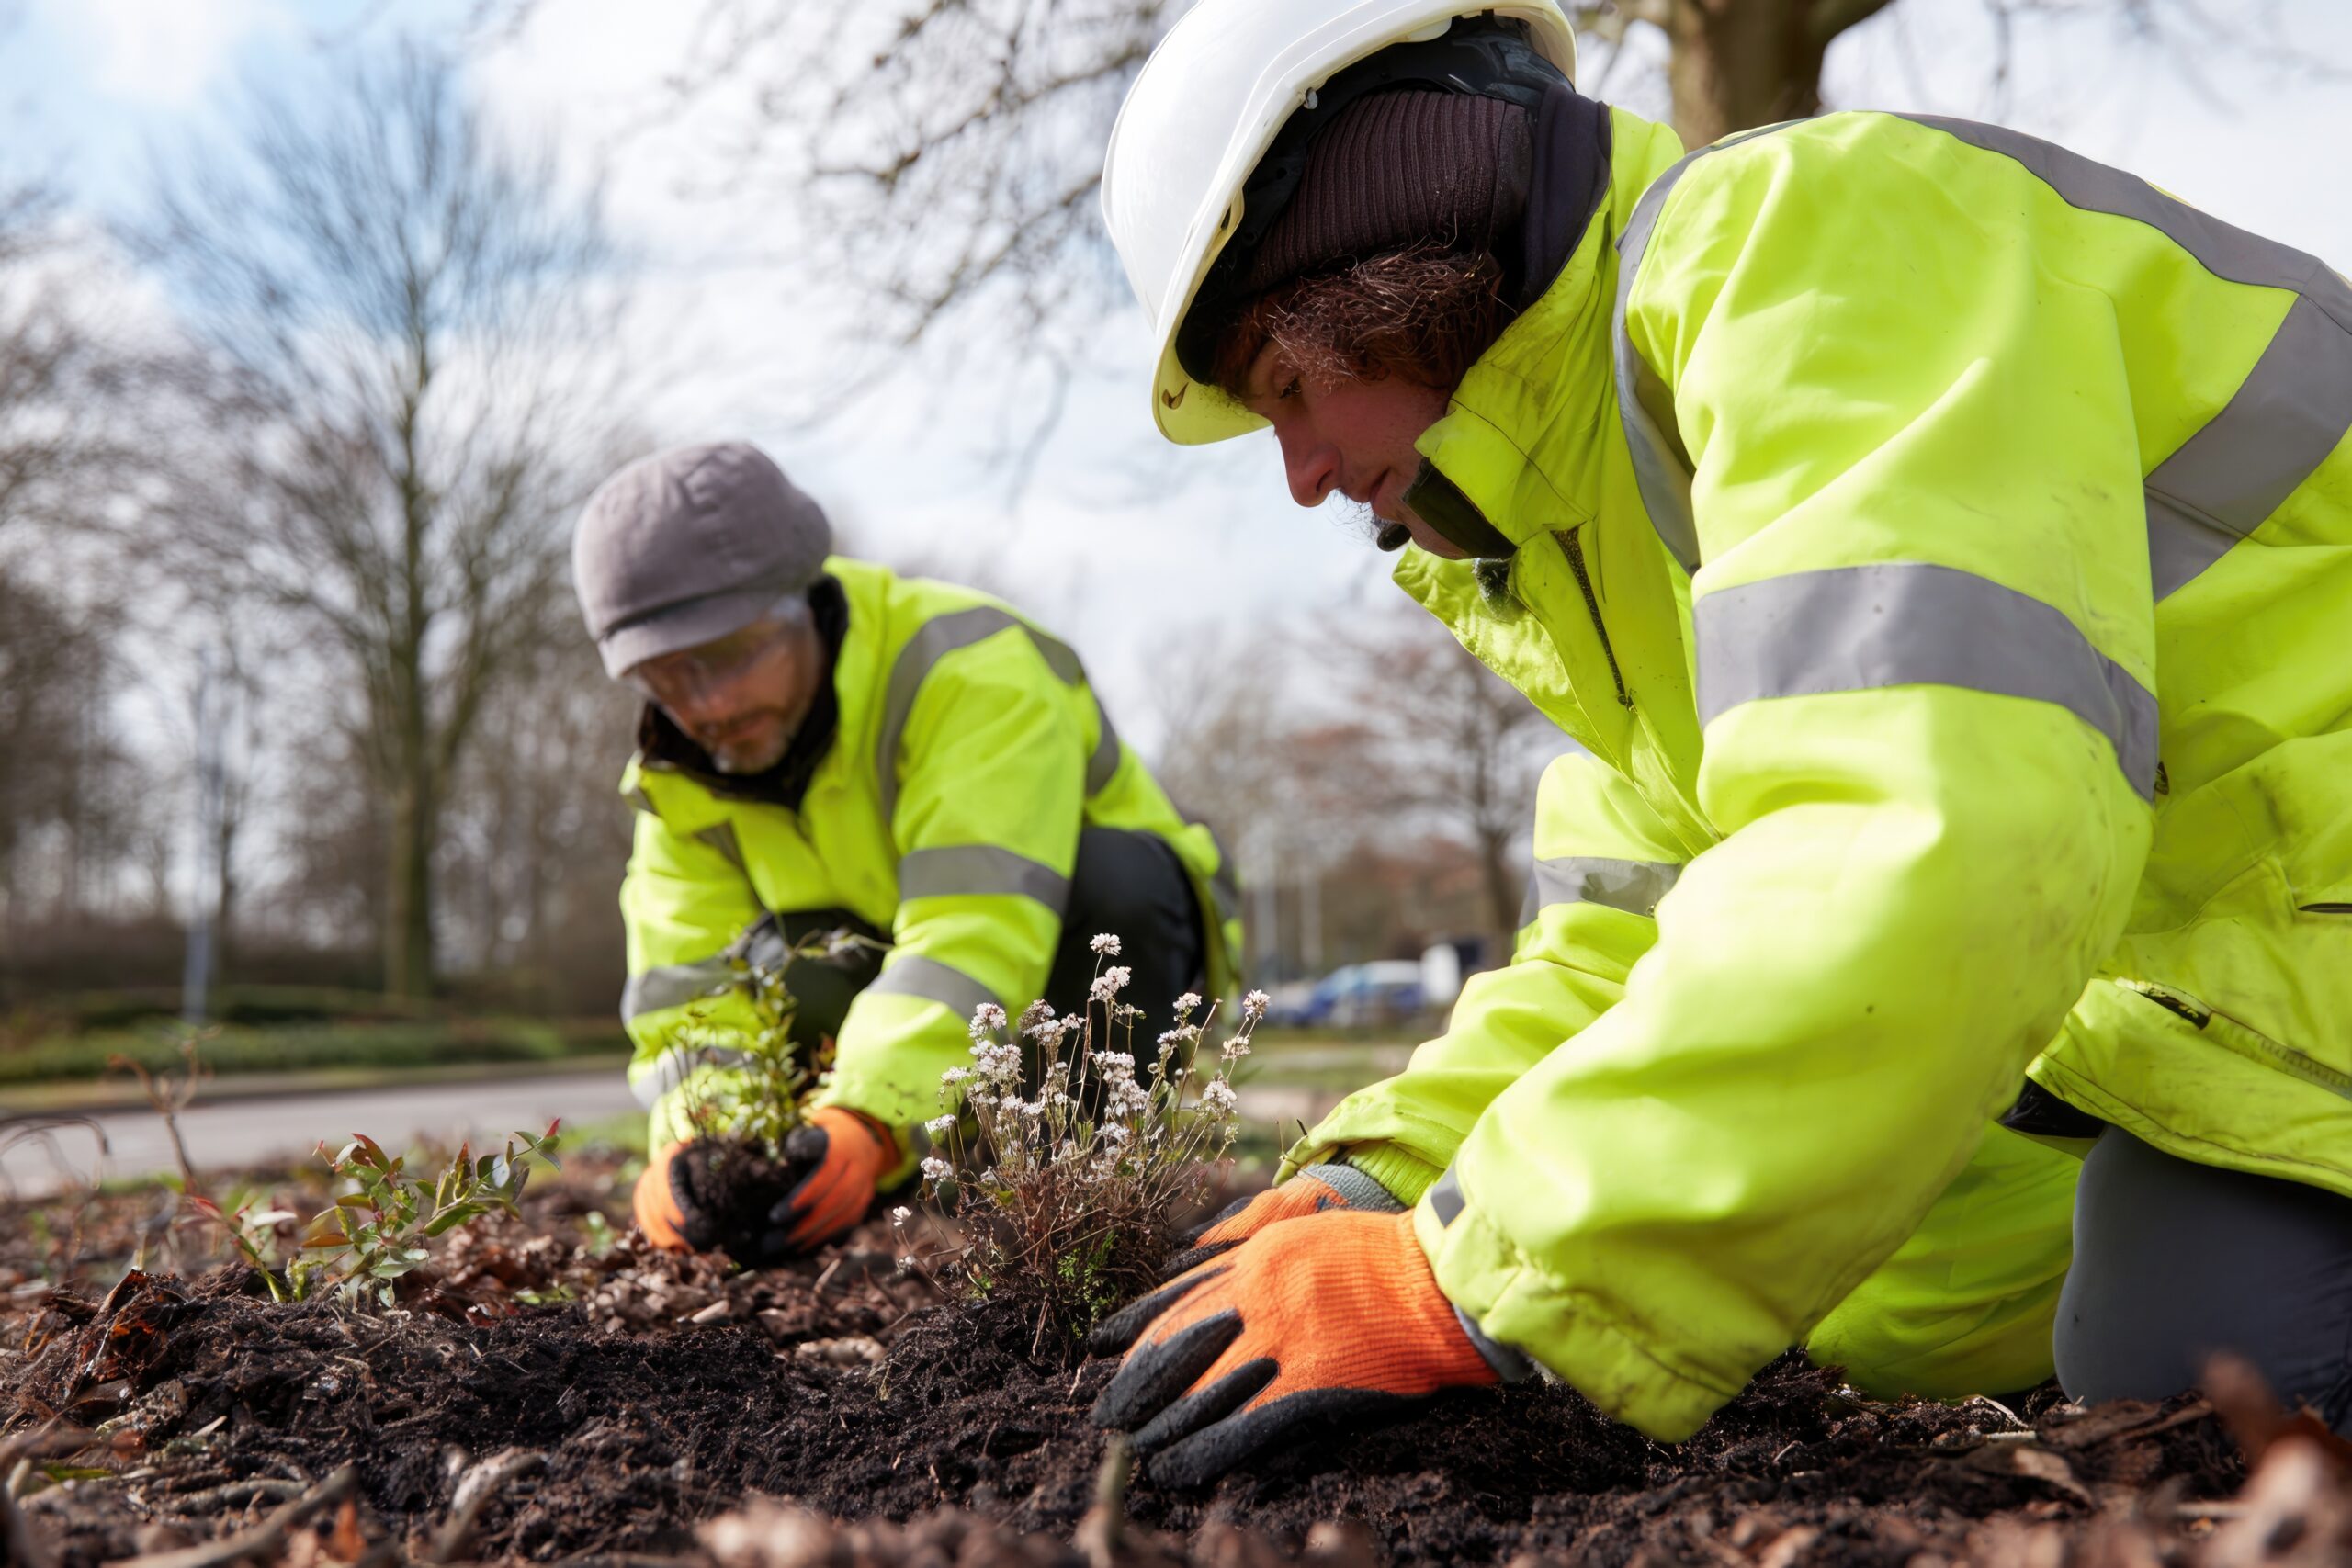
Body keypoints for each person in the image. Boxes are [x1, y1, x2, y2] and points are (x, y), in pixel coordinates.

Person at [1083, 0, 2352, 1487]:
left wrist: (1467, 1282)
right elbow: (1632, 938)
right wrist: (1394, 1172)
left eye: (1290, 385)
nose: (1299, 475)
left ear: (1399, 262)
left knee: (2174, 1366)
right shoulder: (1592, 513)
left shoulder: (1805, 243)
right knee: (1862, 1284)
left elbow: (1937, 837)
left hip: (2300, 941)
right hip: (2232, 955)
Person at [571, 442, 1241, 1264]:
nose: (708, 706)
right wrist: (693, 1145)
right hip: (914, 990)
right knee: (778, 958)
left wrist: (870, 1114)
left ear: (806, 601)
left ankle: (1078, 1194)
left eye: (733, 654)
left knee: (1121, 883)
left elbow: (976, 928)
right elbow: (689, 987)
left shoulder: (970, 669)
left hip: (1086, 954)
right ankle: (865, 1189)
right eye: (668, 678)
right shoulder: (680, 773)